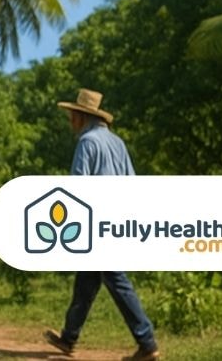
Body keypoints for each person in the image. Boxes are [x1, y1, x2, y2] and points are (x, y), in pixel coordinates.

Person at [43, 89, 161, 361]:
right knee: (86, 281)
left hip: (98, 222)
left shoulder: (87, 142)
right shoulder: (117, 143)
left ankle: (147, 342)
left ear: (81, 116)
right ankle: (68, 338)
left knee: (116, 280)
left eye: (71, 115)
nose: (69, 120)